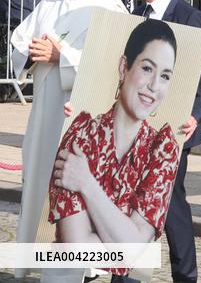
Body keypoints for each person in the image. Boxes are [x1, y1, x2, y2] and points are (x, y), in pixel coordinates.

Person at [9, 0, 127, 277]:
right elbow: (20, 40)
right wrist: (32, 51)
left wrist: (66, 58)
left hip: (83, 114)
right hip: (46, 112)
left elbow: (114, 64)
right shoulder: (51, 0)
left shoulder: (109, 6)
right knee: (40, 180)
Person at [48, 19, 180, 279]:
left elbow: (134, 253)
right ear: (124, 67)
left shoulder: (163, 150)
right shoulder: (82, 136)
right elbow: (76, 249)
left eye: (165, 76)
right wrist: (127, 238)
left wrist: (86, 182)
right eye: (146, 68)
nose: (154, 85)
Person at [124, 0, 201, 283]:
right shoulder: (137, 14)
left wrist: (194, 114)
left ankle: (186, 277)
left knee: (171, 206)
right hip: (135, 127)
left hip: (174, 129)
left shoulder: (190, 17)